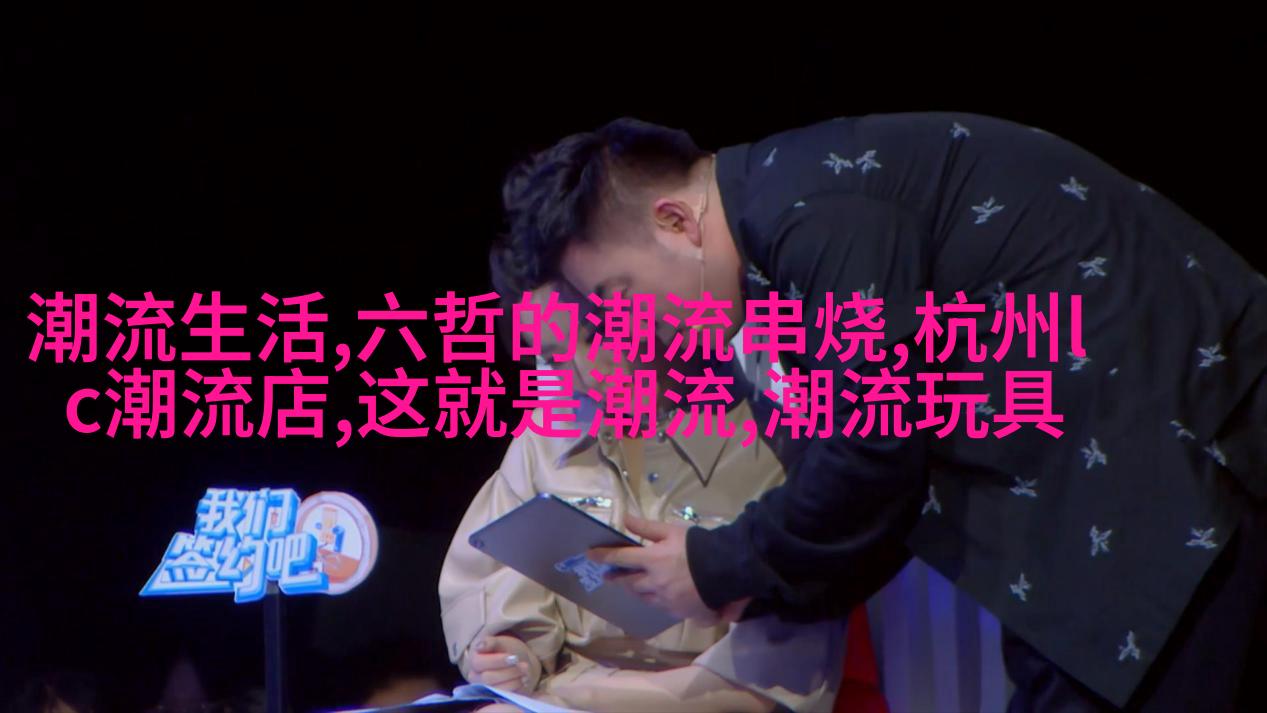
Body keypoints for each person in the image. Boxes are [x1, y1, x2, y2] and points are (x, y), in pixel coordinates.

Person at [488, 114, 1267, 711]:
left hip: (1174, 456)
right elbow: (878, 498)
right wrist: (748, 583)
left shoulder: (813, 208)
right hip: (1108, 492)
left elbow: (873, 450)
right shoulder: (774, 264)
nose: (629, 327)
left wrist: (715, 563)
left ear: (674, 222)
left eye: (618, 295)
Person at [437, 285, 854, 712]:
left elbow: (765, 684)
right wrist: (513, 656)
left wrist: (571, 692)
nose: (588, 373)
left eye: (597, 337)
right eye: (557, 357)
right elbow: (494, 589)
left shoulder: (776, 450)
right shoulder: (543, 442)